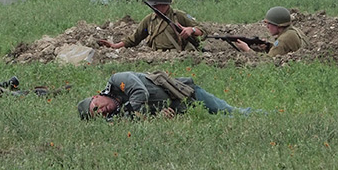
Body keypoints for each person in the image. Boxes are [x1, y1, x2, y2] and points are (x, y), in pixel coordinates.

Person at [78, 71, 251, 120]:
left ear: (95, 97)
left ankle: (270, 117)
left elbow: (140, 93)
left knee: (234, 114)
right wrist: (157, 118)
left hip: (189, 95)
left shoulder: (117, 80)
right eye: (99, 115)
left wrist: (128, 115)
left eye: (97, 107)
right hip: (184, 114)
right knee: (224, 122)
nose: (102, 110)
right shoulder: (118, 118)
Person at [99, 0, 204, 52]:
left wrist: (191, 30)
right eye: (153, 6)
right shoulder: (149, 20)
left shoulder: (179, 16)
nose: (155, 9)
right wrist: (115, 46)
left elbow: (203, 30)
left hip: (177, 55)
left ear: (165, 5)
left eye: (158, 6)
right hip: (156, 56)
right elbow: (135, 38)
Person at [234, 6, 309, 57]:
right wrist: (269, 46)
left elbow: (268, 61)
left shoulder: (282, 40)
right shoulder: (294, 31)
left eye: (269, 24)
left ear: (278, 25)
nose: (267, 27)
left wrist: (247, 50)